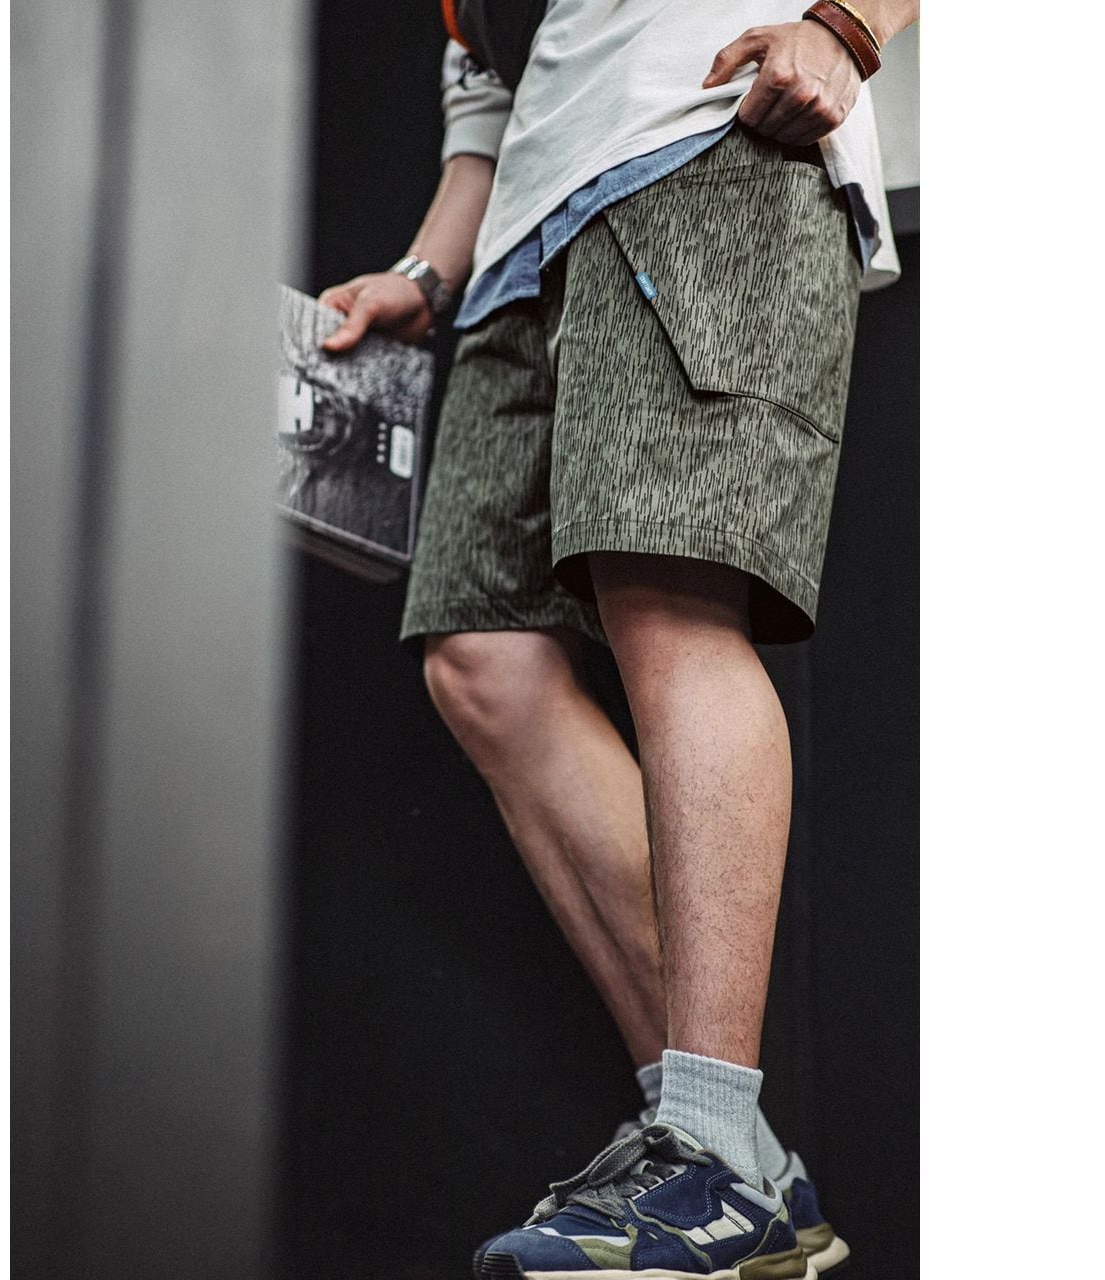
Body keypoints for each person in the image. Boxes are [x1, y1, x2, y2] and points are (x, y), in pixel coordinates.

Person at [320, 2, 917, 1276]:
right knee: (483, 658)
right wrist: (426, 271)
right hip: (523, 234)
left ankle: (709, 1145)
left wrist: (847, 27)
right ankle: (734, 1165)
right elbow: (489, 83)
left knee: (668, 597)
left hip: (696, 138)